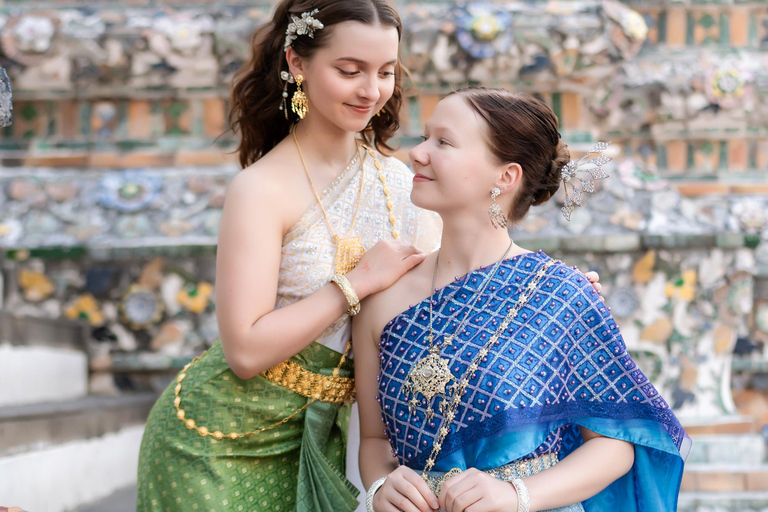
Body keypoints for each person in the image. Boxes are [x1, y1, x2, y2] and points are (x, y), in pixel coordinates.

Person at [136, 1, 602, 510]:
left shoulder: (404, 181)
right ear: (297, 63)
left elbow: (450, 292)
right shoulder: (260, 189)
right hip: (221, 439)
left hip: (335, 437)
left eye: (385, 72)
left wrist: (552, 293)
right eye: (348, 70)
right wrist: (353, 286)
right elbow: (244, 351)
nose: (370, 90)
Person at [354, 87, 690, 512]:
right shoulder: (383, 298)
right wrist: (381, 486)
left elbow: (615, 443)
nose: (418, 153)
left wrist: (515, 495)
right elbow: (374, 438)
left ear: (505, 177)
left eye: (443, 142)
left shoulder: (562, 294)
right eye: (424, 137)